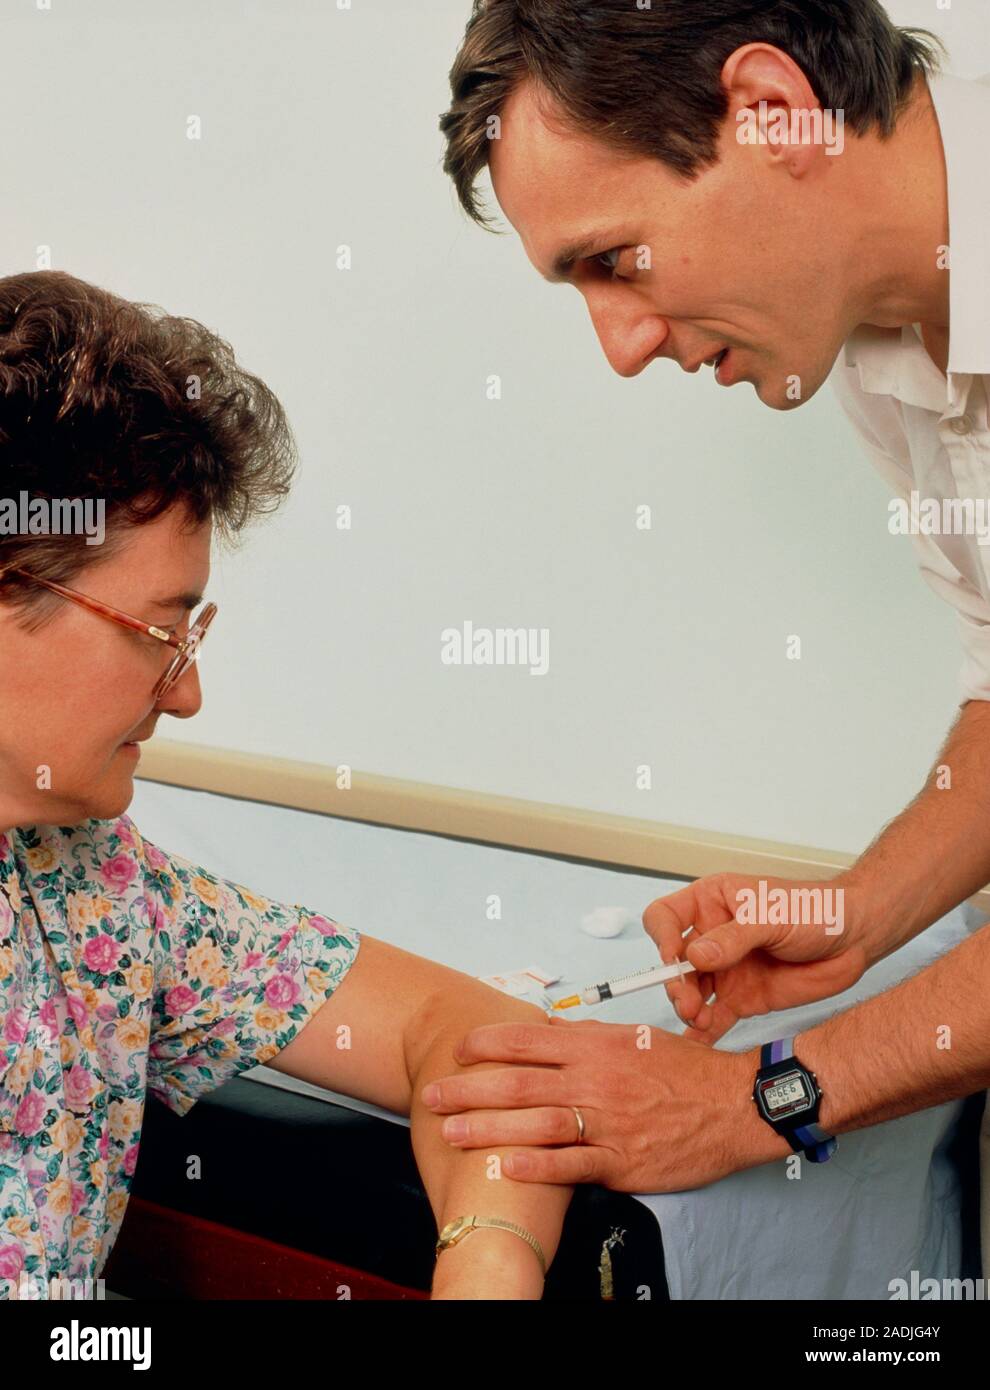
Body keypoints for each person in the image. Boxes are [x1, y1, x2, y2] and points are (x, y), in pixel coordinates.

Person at [426, 0, 990, 1275]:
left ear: (770, 108)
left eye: (615, 260)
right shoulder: (887, 340)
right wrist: (856, 912)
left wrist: (747, 1102)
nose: (621, 348)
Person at [0, 268, 574, 1301]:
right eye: (158, 634)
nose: (187, 694)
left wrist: (486, 1259)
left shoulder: (94, 892)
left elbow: (478, 1038)